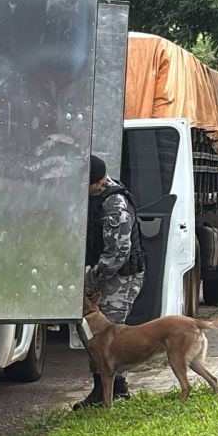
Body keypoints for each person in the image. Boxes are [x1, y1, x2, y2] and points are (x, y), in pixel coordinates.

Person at [74, 155, 147, 410]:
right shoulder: (96, 197)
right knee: (92, 335)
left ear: (96, 181)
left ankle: (117, 390)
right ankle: (100, 388)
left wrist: (91, 279)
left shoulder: (115, 204)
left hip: (120, 276)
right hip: (102, 273)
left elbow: (118, 252)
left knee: (110, 332)